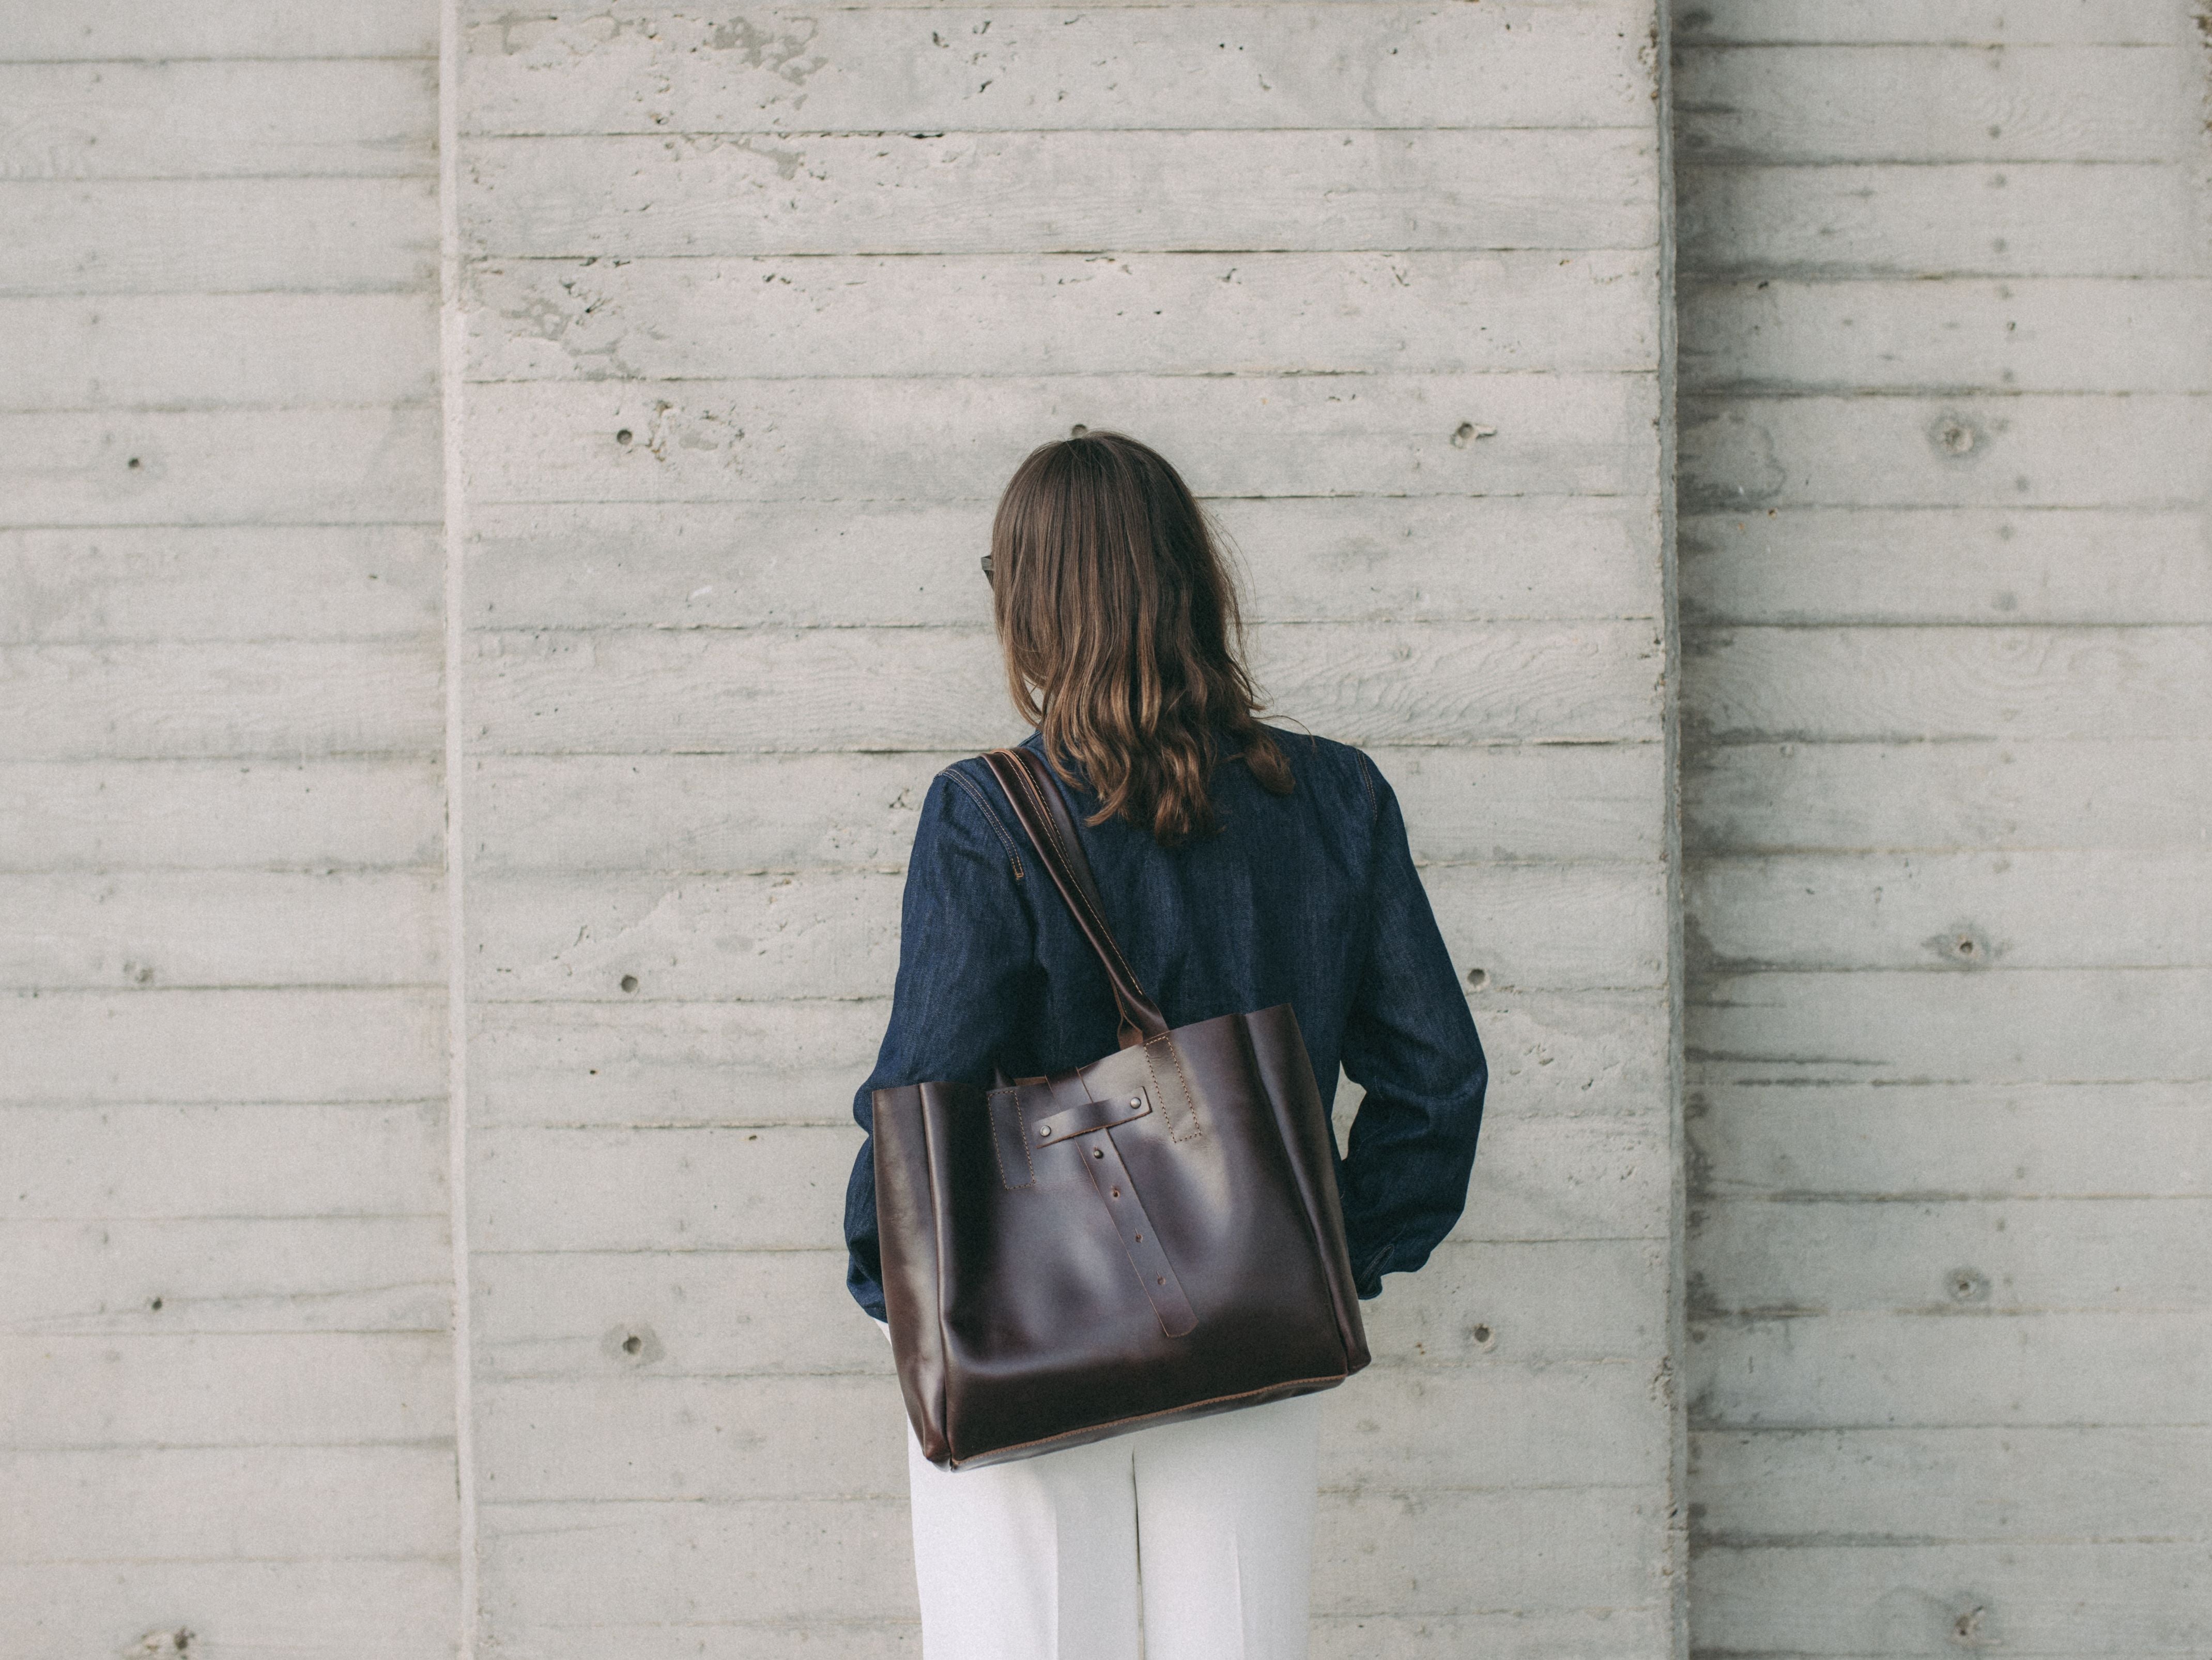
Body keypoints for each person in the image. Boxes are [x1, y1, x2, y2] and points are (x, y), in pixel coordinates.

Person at [841, 431, 1487, 1660]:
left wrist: (895, 1291)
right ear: (1197, 581)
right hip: (1254, 1311)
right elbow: (1434, 1079)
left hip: (1017, 1326)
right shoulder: (1338, 798)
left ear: (1025, 601)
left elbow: (923, 1087)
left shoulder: (982, 815)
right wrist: (1329, 1253)